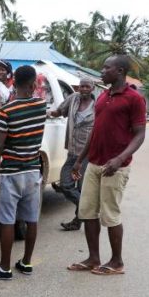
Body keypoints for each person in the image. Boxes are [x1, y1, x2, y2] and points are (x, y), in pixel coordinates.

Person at [68, 55, 146, 275]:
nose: (102, 71)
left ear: (120, 71)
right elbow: (95, 131)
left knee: (110, 214)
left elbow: (140, 134)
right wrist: (80, 159)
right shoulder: (102, 96)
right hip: (94, 163)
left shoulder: (134, 98)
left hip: (116, 166)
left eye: (106, 67)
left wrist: (120, 158)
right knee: (87, 212)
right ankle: (93, 258)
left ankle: (117, 262)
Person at [0, 65, 47, 280]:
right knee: (31, 219)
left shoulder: (7, 111)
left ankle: (5, 268)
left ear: (12, 83)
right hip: (33, 172)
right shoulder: (41, 105)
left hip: (11, 172)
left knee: (7, 220)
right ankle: (26, 263)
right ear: (33, 84)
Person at [49, 77, 96, 230]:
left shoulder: (98, 105)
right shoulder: (73, 99)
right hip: (72, 151)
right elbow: (59, 111)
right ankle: (88, 210)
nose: (83, 89)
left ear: (93, 88)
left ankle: (78, 221)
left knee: (82, 189)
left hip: (88, 155)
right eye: (81, 86)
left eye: (87, 87)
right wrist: (42, 113)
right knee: (65, 184)